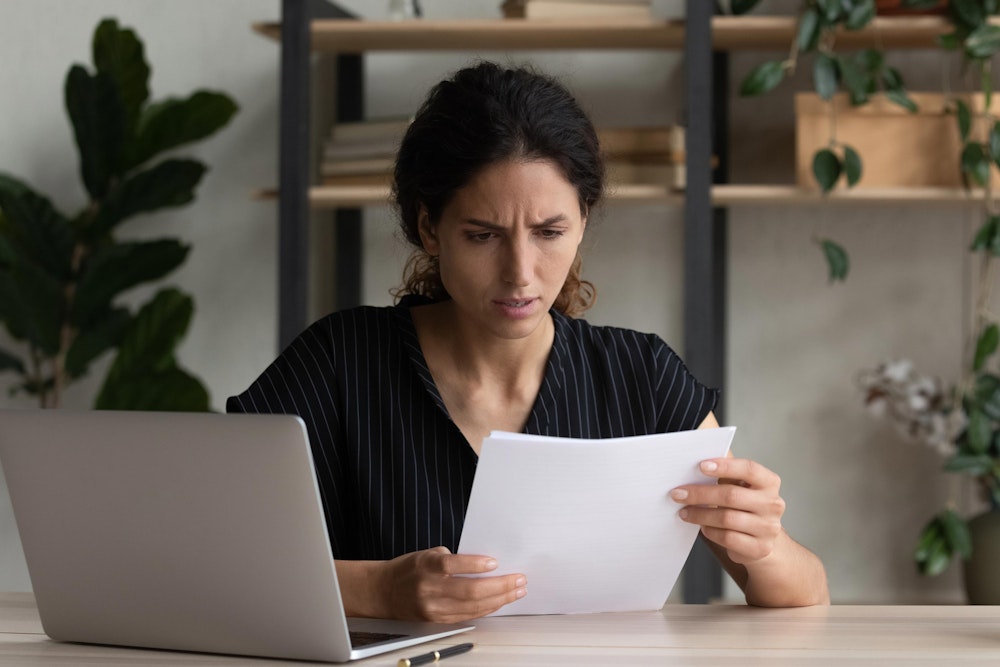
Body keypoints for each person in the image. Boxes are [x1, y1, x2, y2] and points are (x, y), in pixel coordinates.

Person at [228, 61, 829, 621]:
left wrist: (765, 543)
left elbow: (806, 597)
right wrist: (379, 590)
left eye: (549, 232)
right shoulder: (338, 362)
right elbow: (219, 565)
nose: (520, 273)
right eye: (483, 235)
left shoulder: (641, 377)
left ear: (583, 220)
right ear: (429, 228)